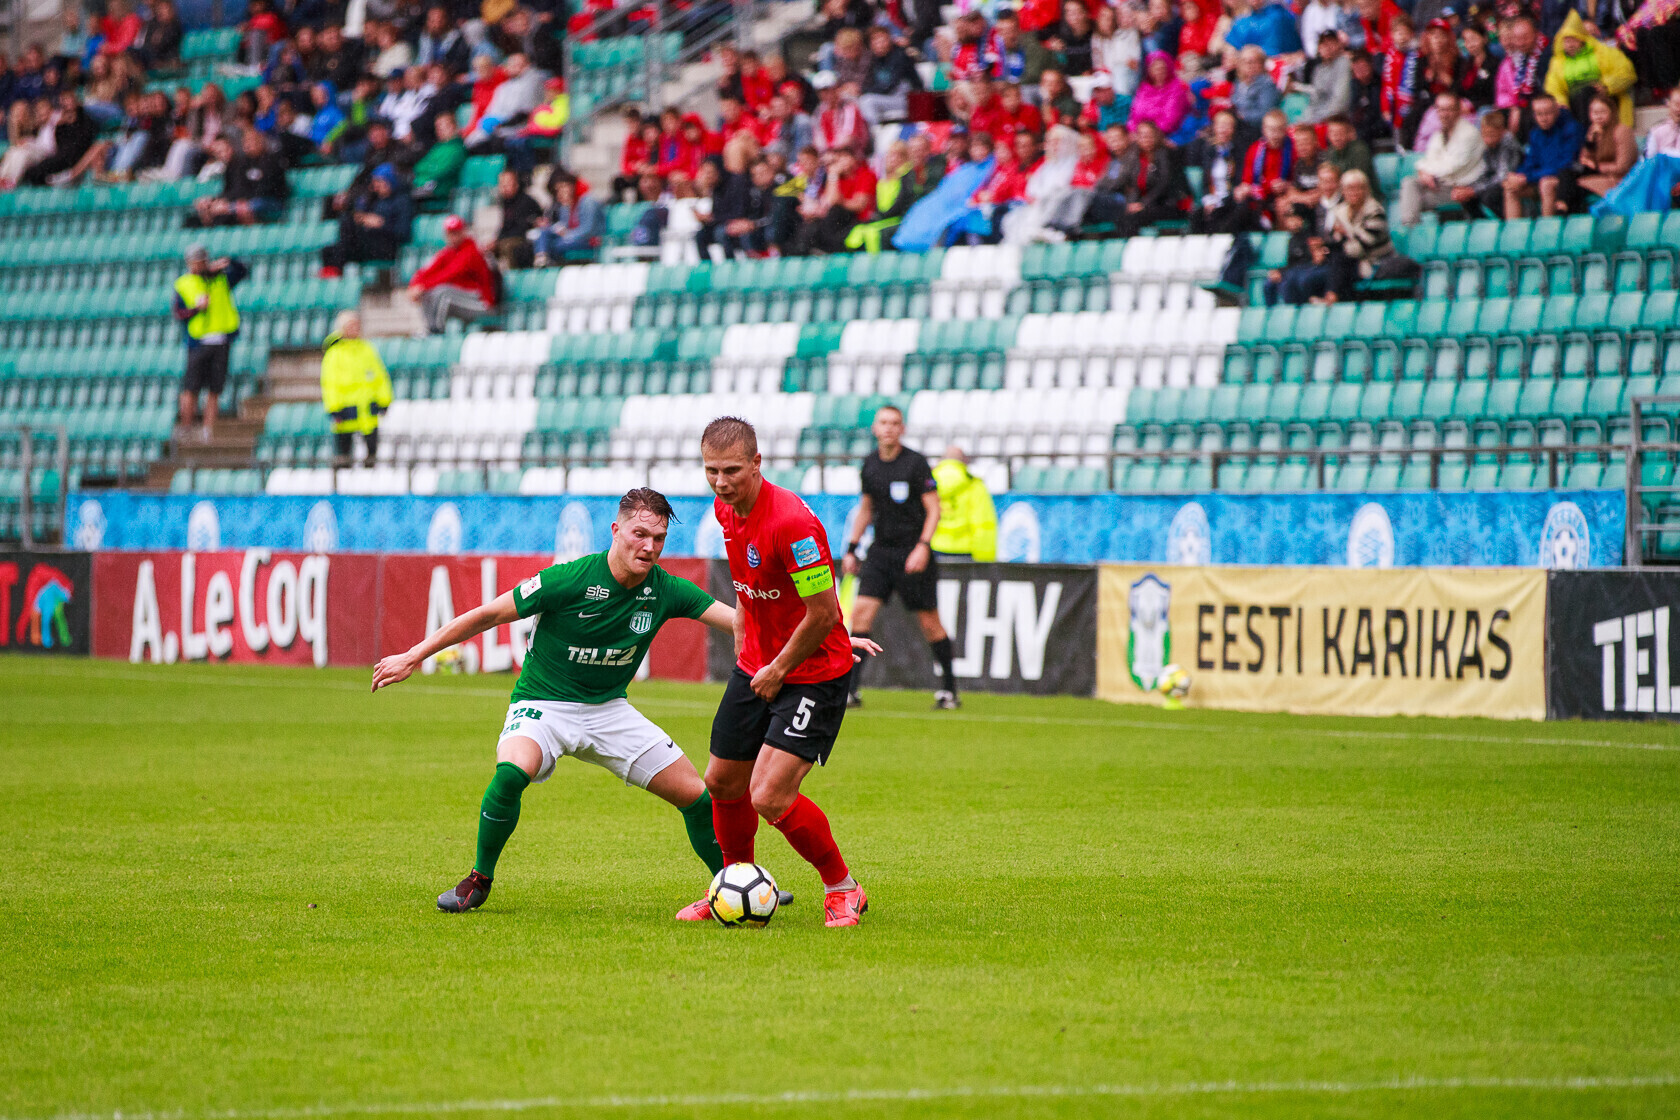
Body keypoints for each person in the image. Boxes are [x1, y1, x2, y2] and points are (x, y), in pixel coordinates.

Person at [372, 489, 832, 916]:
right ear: (616, 530)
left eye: (658, 538)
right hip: (543, 704)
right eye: (639, 534)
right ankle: (478, 879)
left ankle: (735, 883)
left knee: (697, 796)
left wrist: (827, 638)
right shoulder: (570, 579)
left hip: (609, 710)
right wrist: (414, 655)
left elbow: (743, 622)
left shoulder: (664, 588)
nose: (649, 547)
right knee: (512, 772)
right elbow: (488, 614)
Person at [700, 417, 874, 928]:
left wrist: (779, 667)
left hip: (811, 672)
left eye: (732, 471)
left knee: (769, 795)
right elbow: (748, 583)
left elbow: (823, 613)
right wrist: (746, 637)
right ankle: (734, 886)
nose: (721, 482)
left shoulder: (794, 525)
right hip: (758, 664)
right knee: (722, 781)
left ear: (757, 463)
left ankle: (843, 888)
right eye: (711, 471)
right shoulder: (726, 509)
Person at [842, 404, 957, 711]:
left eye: (895, 423)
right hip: (881, 551)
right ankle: (850, 690)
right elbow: (866, 508)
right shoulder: (869, 464)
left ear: (902, 429)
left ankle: (949, 690)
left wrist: (923, 546)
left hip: (912, 552)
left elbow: (934, 509)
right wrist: (852, 547)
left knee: (930, 623)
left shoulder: (916, 463)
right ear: (875, 429)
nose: (889, 428)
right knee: (861, 613)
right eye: (883, 422)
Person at [171, 246, 247, 442]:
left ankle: (208, 430)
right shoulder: (184, 284)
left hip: (221, 341)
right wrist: (197, 309)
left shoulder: (221, 279)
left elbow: (243, 270)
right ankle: (187, 428)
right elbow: (179, 313)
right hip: (198, 343)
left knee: (215, 388)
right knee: (191, 388)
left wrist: (227, 260)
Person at [1396, 92, 1484, 225]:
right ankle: (1410, 227)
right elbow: (1428, 160)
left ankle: (1409, 230)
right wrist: (1423, 171)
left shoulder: (1469, 134)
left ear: (1458, 111)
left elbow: (1451, 166)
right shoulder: (1438, 135)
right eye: (1440, 110)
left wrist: (1425, 171)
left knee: (1412, 201)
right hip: (1442, 186)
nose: (1444, 114)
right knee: (1409, 183)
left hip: (1462, 189)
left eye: (1449, 109)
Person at [319, 311, 391, 468]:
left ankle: (369, 477)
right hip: (346, 409)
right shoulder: (335, 353)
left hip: (367, 408)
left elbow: (380, 377)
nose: (355, 329)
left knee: (372, 450)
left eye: (357, 325)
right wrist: (334, 408)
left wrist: (384, 400)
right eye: (351, 326)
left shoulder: (367, 349)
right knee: (344, 453)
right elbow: (329, 383)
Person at [408, 214, 498, 333]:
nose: (453, 237)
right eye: (450, 233)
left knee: (442, 293)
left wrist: (423, 286)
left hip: (481, 303)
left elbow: (450, 274)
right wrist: (415, 285)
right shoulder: (448, 252)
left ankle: (435, 331)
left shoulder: (472, 251)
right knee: (429, 294)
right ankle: (429, 329)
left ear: (463, 232)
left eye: (456, 233)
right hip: (461, 298)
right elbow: (426, 271)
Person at [319, 162, 413, 276]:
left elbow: (403, 233)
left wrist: (382, 225)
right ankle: (331, 276)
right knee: (331, 249)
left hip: (386, 246)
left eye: (380, 181)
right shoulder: (374, 199)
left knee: (341, 249)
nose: (376, 185)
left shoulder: (402, 202)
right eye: (375, 181)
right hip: (368, 242)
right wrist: (362, 218)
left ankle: (332, 276)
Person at [1543, 11, 1636, 126]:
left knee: (1586, 93)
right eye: (1566, 41)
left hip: (1602, 96)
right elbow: (1553, 88)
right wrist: (1561, 103)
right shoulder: (1557, 63)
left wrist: (1607, 86)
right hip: (1573, 102)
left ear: (1582, 39)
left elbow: (1627, 72)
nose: (1570, 44)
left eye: (1574, 40)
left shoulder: (1602, 52)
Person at [187, 127, 288, 227]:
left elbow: (267, 189)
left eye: (252, 140)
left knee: (243, 207)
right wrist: (215, 200)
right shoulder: (242, 163)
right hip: (249, 200)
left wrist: (235, 204)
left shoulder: (272, 161)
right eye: (246, 141)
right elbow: (236, 188)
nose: (249, 144)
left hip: (270, 201)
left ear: (261, 141)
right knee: (210, 209)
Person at [1502, 94, 1583, 218]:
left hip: (1567, 181)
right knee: (1511, 188)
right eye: (1539, 114)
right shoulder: (1535, 134)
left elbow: (1566, 165)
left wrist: (1528, 177)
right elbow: (1530, 162)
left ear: (1556, 110)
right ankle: (1514, 229)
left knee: (1546, 184)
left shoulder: (1571, 129)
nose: (1543, 118)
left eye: (1548, 113)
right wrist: (1519, 176)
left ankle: (1548, 227)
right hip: (1538, 179)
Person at [1325, 169, 1392, 300]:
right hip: (1347, 260)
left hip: (1373, 260)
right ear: (1343, 191)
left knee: (1340, 262)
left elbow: (1364, 245)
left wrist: (1346, 233)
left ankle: (1332, 298)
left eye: (1358, 188)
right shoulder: (1340, 211)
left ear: (1366, 189)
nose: (1354, 192)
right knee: (1309, 276)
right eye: (1349, 188)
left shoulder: (1375, 211)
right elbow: (1334, 240)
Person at [1567, 91, 1637, 209]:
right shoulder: (1593, 131)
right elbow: (1584, 159)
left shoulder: (1622, 131)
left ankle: (1564, 213)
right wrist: (1590, 142)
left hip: (1617, 179)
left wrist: (1597, 167)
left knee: (1573, 188)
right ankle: (1561, 211)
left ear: (1612, 112)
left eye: (1602, 112)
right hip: (1596, 175)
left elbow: (1622, 166)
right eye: (1595, 113)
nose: (1598, 116)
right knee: (1567, 174)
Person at [929, 446, 998, 563]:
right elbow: (982, 522)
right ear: (965, 461)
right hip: (965, 550)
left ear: (940, 460)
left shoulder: (928, 483)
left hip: (933, 547)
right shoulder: (974, 484)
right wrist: (985, 558)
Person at [1456, 108, 1525, 218]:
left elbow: (1502, 176)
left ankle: (1504, 223)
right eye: (1485, 134)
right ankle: (1479, 224)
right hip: (1494, 180)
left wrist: (1474, 190)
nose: (1487, 139)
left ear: (1502, 131)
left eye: (1492, 135)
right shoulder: (1482, 143)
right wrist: (1466, 188)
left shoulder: (1508, 143)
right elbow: (1480, 171)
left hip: (1513, 180)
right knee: (1466, 197)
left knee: (1489, 196)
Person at [533, 173, 604, 264]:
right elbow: (565, 225)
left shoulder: (588, 201)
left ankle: (545, 260)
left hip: (588, 241)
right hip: (572, 238)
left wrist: (567, 235)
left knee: (555, 245)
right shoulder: (566, 205)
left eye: (564, 187)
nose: (561, 191)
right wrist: (555, 228)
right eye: (558, 189)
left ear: (573, 186)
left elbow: (589, 230)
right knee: (544, 232)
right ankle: (541, 258)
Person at [491, 168, 543, 269]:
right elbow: (505, 226)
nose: (504, 187)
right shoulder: (506, 202)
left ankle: (513, 273)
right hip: (510, 237)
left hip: (525, 238)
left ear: (516, 184)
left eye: (507, 183)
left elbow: (522, 227)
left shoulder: (526, 201)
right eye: (502, 184)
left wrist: (500, 241)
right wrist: (495, 240)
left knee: (508, 246)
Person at [1298, 31, 1353, 124]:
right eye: (1324, 43)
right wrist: (1306, 121)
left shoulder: (1343, 63)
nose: (1328, 47)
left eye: (1331, 42)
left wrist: (1317, 120)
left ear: (1339, 45)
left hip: (1338, 119)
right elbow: (1315, 99)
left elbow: (1340, 102)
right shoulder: (1319, 69)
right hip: (1319, 116)